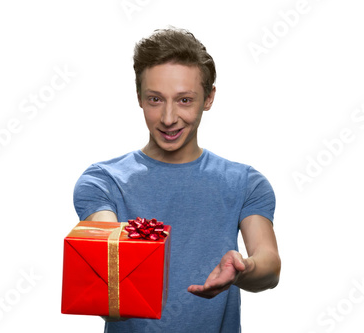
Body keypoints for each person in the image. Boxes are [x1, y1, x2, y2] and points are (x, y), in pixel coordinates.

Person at [73, 27, 281, 333]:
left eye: (184, 100)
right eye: (155, 99)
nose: (169, 118)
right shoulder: (103, 181)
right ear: (139, 98)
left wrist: (241, 269)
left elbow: (270, 266)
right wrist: (110, 285)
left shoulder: (245, 182)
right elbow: (108, 268)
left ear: (209, 98)